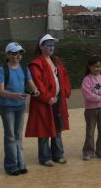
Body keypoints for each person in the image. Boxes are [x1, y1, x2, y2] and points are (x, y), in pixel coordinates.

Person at [25, 34, 71, 167]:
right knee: (44, 129)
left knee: (57, 128)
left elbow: (65, 76)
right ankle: (45, 157)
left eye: (53, 45)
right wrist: (47, 98)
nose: (51, 48)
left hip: (57, 101)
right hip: (43, 104)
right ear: (41, 46)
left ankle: (58, 155)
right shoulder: (36, 64)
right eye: (48, 45)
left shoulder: (56, 61)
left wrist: (65, 92)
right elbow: (37, 83)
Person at [0, 42, 39, 175]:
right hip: (7, 107)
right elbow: (1, 91)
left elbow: (30, 83)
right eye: (14, 53)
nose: (17, 56)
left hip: (20, 107)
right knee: (10, 136)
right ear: (8, 54)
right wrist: (15, 95)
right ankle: (10, 166)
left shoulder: (24, 68)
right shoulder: (2, 70)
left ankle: (21, 164)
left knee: (18, 136)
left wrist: (36, 90)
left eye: (19, 53)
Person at [81, 55, 101, 161]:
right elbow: (87, 95)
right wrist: (100, 97)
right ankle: (88, 151)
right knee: (90, 131)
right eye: (95, 66)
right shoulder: (87, 80)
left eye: (99, 66)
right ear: (90, 67)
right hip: (90, 110)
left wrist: (97, 93)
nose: (97, 69)